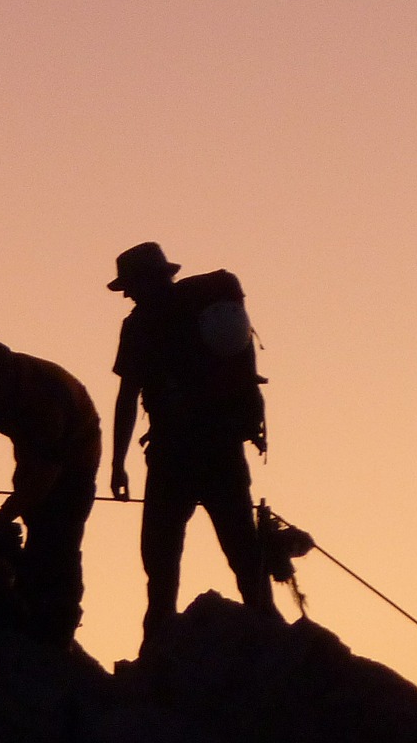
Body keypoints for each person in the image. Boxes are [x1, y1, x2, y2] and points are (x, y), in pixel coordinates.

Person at [107, 241, 277, 644]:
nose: (127, 294)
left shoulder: (139, 327)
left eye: (130, 285)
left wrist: (117, 462)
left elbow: (128, 396)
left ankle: (159, 640)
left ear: (147, 281)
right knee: (241, 547)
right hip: (221, 447)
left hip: (173, 454)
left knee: (161, 557)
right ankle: (269, 627)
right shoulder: (203, 313)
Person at [0, 341, 101, 644]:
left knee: (59, 537)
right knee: (37, 526)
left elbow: (45, 475)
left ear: (5, 377)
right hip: (33, 455)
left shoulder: (45, 398)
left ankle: (59, 622)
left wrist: (5, 516)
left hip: (76, 458)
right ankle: (29, 601)